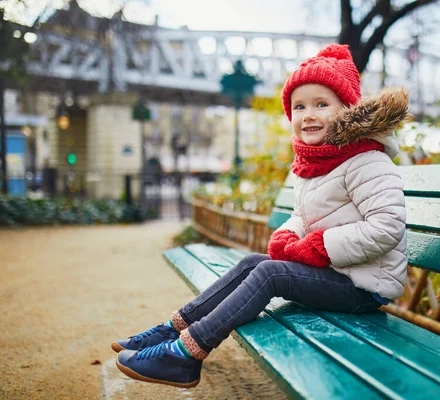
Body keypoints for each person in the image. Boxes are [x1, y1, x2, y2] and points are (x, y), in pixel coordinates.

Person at [112, 43, 409, 388]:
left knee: (270, 274)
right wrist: (289, 233)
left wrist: (317, 248)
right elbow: (303, 215)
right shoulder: (315, 163)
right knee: (254, 262)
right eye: (299, 106)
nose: (308, 115)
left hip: (363, 287)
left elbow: (387, 228)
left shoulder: (366, 160)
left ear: (347, 110)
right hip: (337, 273)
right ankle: (173, 328)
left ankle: (185, 355)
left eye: (321, 105)